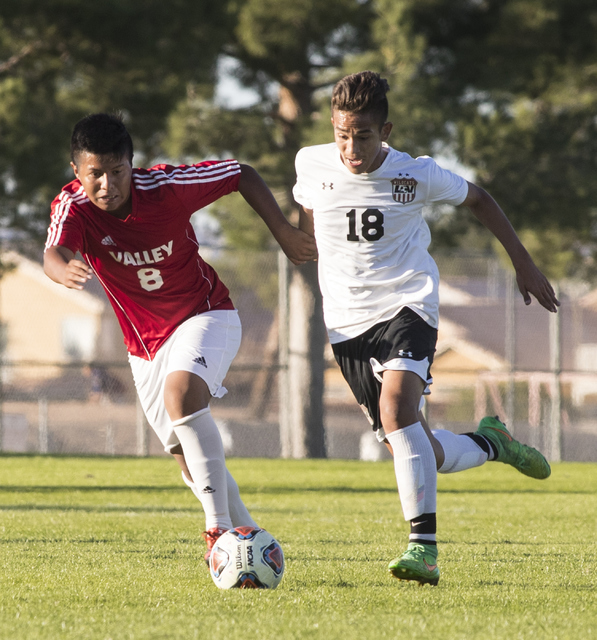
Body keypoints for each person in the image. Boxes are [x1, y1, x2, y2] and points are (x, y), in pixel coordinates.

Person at [292, 71, 559, 586]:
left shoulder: (417, 174)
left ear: (385, 130)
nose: (351, 147)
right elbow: (310, 216)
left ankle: (424, 549)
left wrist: (522, 261)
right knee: (409, 445)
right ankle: (491, 445)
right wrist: (301, 245)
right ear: (332, 126)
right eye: (343, 134)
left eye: (364, 136)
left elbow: (478, 198)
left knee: (397, 410)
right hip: (345, 321)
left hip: (408, 303)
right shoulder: (310, 161)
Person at [44, 112, 317, 564]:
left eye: (117, 171)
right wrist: (61, 270)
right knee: (184, 456)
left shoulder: (166, 189)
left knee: (183, 397)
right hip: (144, 346)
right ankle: (251, 539)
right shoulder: (73, 206)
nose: (108, 184)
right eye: (96, 174)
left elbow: (240, 174)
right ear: (78, 171)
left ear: (132, 164)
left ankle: (218, 531)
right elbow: (53, 250)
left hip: (206, 314)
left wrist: (285, 233)